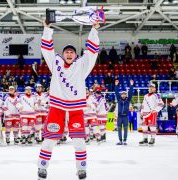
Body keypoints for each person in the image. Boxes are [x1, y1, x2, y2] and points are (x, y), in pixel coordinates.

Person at [37, 20, 100, 180]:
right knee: (49, 140)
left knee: (79, 141)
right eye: (67, 52)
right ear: (63, 54)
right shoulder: (55, 62)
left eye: (72, 52)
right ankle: (42, 167)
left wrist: (93, 30)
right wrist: (46, 28)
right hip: (57, 108)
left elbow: (92, 52)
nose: (69, 54)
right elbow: (46, 49)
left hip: (75, 109)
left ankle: (81, 170)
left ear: (75, 55)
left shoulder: (82, 65)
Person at [115, 79, 134, 145]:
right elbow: (116, 92)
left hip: (125, 116)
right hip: (119, 117)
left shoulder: (128, 100)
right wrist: (116, 85)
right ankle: (120, 140)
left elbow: (130, 93)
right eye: (122, 94)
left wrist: (131, 85)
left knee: (125, 129)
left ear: (126, 95)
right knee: (119, 129)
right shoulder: (119, 99)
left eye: (124, 94)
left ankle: (125, 140)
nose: (123, 95)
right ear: (121, 95)